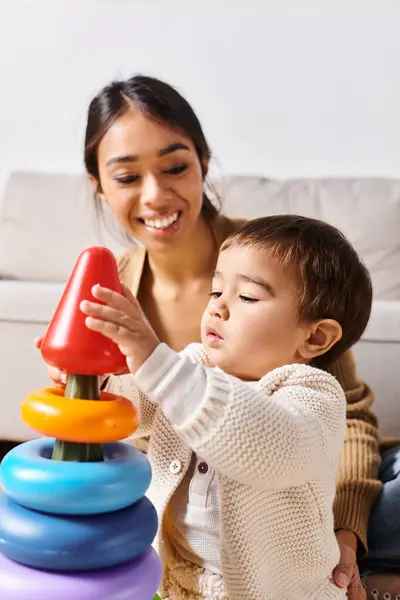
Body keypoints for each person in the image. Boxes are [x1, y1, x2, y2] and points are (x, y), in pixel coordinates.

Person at [37, 74, 390, 599]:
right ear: (99, 185)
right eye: (128, 175)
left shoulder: (276, 261)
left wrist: (345, 532)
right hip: (180, 571)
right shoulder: (173, 332)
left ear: (203, 161)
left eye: (175, 166)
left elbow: (303, 431)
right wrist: (97, 382)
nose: (156, 194)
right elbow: (142, 407)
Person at [79, 214, 372, 599]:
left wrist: (155, 360)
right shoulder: (195, 363)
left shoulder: (314, 397)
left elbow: (262, 444)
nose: (217, 308)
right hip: (177, 580)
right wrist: (95, 380)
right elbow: (134, 408)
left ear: (315, 336)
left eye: (247, 297)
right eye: (216, 292)